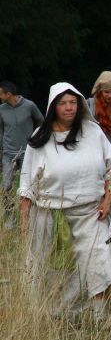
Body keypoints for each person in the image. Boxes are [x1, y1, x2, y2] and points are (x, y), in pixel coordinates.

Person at [18, 82, 111, 317]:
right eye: (63, 103)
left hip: (91, 211)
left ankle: (101, 316)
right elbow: (27, 180)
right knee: (52, 268)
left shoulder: (93, 132)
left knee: (98, 260)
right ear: (53, 107)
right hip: (50, 213)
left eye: (73, 102)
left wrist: (108, 200)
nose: (69, 108)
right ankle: (55, 313)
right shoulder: (40, 137)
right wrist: (25, 215)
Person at [0, 81, 44, 229]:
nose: (0, 97)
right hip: (8, 154)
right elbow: (1, 130)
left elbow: (41, 122)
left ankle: (30, 219)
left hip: (27, 152)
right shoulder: (1, 109)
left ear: (9, 94)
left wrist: (36, 140)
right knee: (6, 187)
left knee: (30, 186)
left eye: (1, 94)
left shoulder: (29, 106)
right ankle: (11, 218)